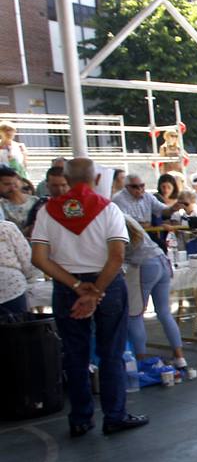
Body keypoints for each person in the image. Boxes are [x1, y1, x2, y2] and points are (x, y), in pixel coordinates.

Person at [29, 158, 148, 437]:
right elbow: (117, 256)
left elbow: (38, 258)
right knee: (111, 353)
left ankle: (80, 418)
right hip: (106, 285)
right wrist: (96, 292)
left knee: (74, 353)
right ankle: (114, 415)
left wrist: (75, 285)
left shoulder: (47, 211)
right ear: (96, 179)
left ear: (65, 179)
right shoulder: (108, 210)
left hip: (67, 286)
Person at [124, 215, 187, 367]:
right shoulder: (125, 216)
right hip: (161, 259)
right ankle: (180, 357)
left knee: (135, 314)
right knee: (164, 312)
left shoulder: (109, 219)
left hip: (144, 265)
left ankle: (141, 362)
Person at [0, 217, 36, 319]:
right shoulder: (7, 228)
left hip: (12, 287)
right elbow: (27, 260)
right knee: (18, 330)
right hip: (12, 288)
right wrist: (30, 277)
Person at [23, 165, 69, 237]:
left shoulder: (77, 204)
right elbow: (26, 232)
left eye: (63, 185)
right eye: (55, 186)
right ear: (47, 185)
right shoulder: (41, 204)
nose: (60, 190)